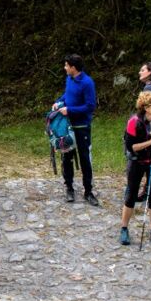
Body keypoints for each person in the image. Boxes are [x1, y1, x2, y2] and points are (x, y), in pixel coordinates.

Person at [119, 91, 151, 247]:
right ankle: (124, 228)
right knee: (131, 193)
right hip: (136, 161)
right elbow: (132, 147)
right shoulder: (134, 122)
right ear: (146, 107)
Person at [53, 54, 98, 205]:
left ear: (73, 67)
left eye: (66, 65)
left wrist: (70, 110)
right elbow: (67, 95)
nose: (64, 68)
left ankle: (88, 191)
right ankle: (69, 189)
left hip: (82, 127)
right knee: (67, 158)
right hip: (67, 127)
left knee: (85, 159)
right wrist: (58, 102)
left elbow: (90, 106)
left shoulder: (87, 83)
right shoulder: (69, 79)